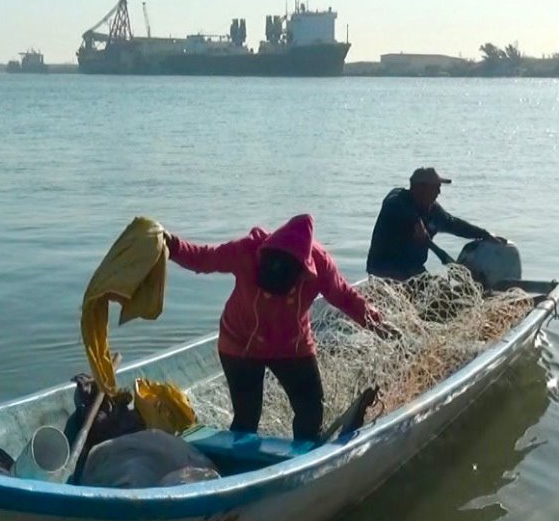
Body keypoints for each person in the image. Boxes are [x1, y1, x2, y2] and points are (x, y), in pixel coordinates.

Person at [164, 214, 382, 443]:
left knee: (311, 410)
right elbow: (204, 259)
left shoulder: (320, 263)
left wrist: (376, 322)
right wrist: (171, 244)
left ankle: (304, 460)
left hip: (292, 345)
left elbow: (344, 297)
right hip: (240, 343)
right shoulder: (247, 249)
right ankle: (240, 466)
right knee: (247, 417)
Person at [366, 167, 505, 281]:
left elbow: (455, 224)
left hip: (415, 271)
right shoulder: (397, 200)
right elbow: (395, 203)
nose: (439, 192)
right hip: (384, 271)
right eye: (435, 187)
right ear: (420, 188)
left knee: (442, 288)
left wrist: (484, 234)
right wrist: (414, 220)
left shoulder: (433, 210)